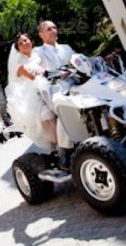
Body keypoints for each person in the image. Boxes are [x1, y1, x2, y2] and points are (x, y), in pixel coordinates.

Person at [33, 20, 76, 170]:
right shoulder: (39, 51)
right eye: (49, 29)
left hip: (75, 84)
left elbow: (76, 61)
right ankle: (64, 151)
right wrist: (44, 71)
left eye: (55, 27)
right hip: (54, 88)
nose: (53, 30)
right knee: (64, 108)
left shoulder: (66, 48)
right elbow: (34, 65)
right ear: (41, 34)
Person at [5, 32, 58, 150]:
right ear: (18, 48)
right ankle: (58, 146)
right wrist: (44, 73)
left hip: (50, 85)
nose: (24, 43)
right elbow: (33, 77)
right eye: (20, 43)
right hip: (33, 93)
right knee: (46, 115)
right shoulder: (19, 63)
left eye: (26, 40)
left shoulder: (38, 53)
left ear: (31, 41)